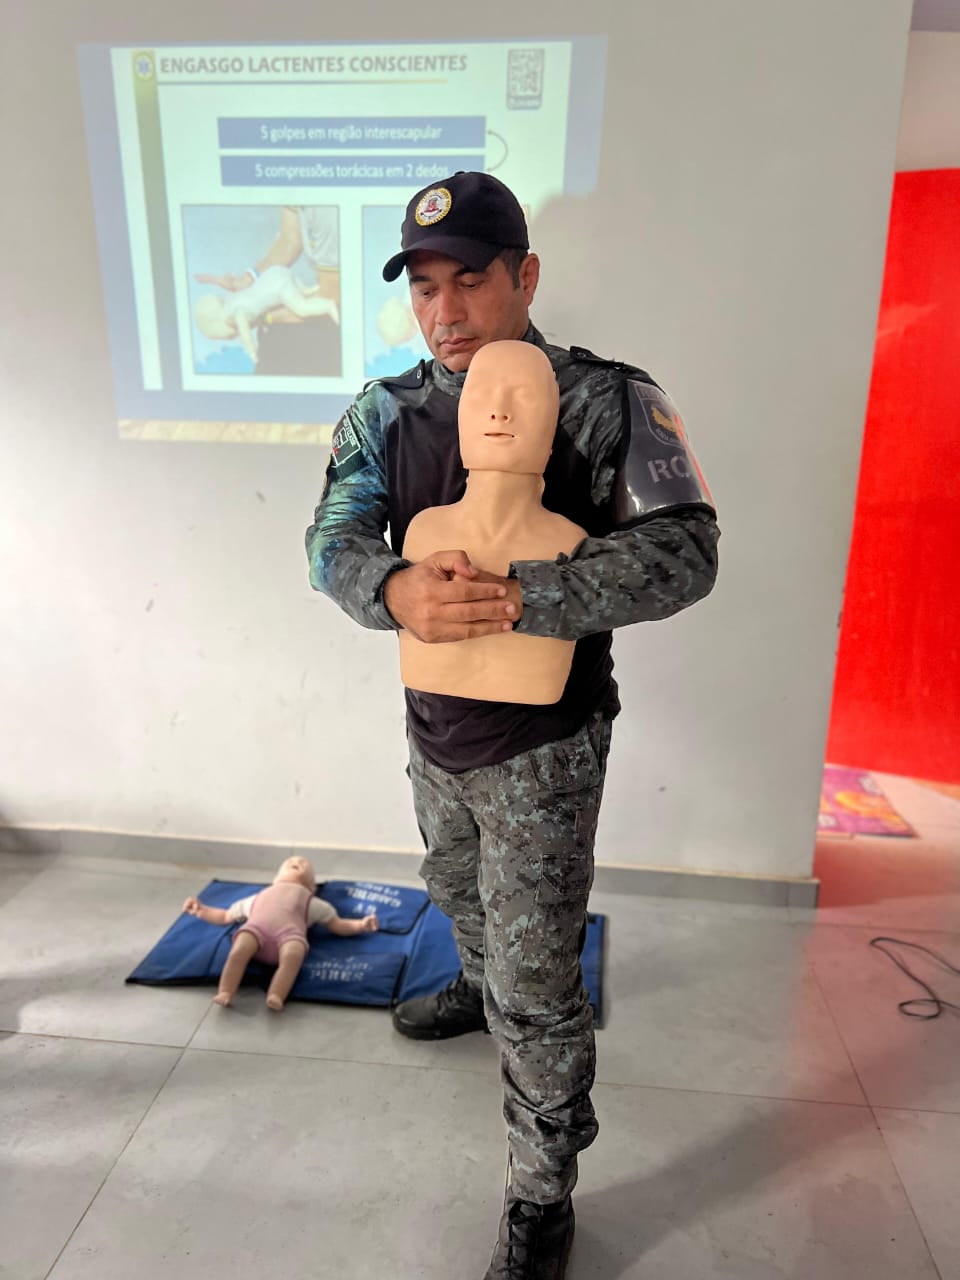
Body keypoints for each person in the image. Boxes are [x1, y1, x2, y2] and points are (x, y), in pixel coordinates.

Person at [305, 171, 719, 1279]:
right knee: (454, 888)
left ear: (525, 276)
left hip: (547, 745)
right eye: (424, 288)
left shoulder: (605, 401)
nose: (445, 312)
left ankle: (542, 1192)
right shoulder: (386, 411)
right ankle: (477, 977)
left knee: (540, 985)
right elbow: (331, 541)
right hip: (436, 727)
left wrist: (525, 597)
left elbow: (686, 550)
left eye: (471, 281)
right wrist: (391, 586)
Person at [182, 855, 378, 1011]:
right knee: (238, 950)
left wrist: (361, 924)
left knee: (293, 955)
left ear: (312, 887)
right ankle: (226, 990)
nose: (297, 861)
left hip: (289, 937)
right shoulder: (259, 896)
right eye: (290, 862)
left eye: (304, 864)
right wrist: (201, 910)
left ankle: (276, 994)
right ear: (276, 879)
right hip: (256, 931)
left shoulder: (312, 901)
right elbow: (226, 916)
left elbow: (337, 924)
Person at [195, 206, 341, 376]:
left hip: (296, 292)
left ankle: (326, 307)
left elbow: (334, 291)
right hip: (278, 276)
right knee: (291, 312)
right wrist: (248, 278)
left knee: (301, 310)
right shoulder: (233, 303)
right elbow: (290, 239)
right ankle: (308, 293)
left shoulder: (328, 213)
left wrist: (253, 348)